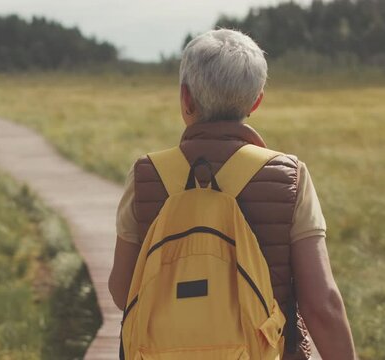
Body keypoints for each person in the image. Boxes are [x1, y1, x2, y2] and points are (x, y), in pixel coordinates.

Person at [108, 29, 356, 360]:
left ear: (185, 98)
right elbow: (321, 304)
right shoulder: (290, 177)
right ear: (256, 101)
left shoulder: (147, 175)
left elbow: (122, 289)